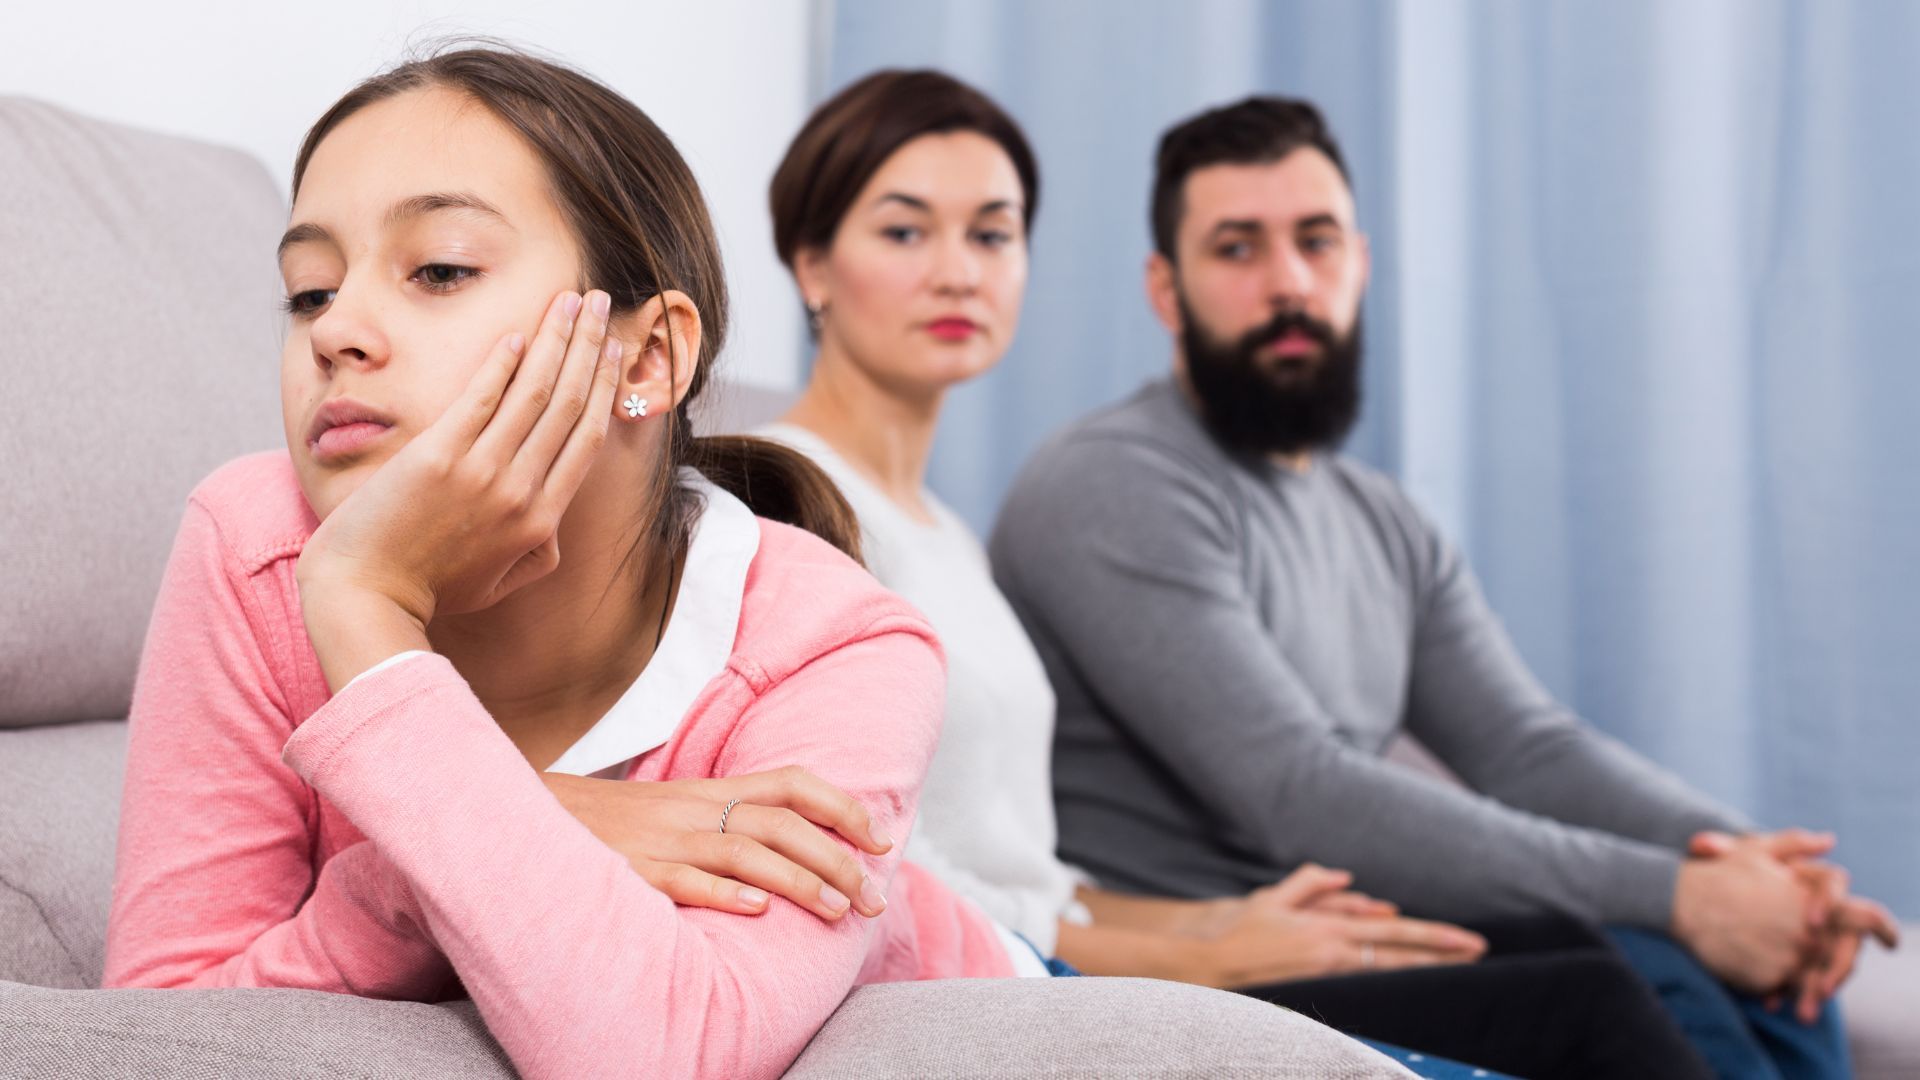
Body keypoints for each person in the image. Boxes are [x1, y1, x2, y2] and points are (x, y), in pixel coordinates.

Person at [755, 69, 1712, 1080]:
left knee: (1591, 962)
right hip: (979, 993)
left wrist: (1218, 925)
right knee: (1585, 1008)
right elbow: (880, 873)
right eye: (906, 233)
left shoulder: (947, 532)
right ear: (812, 264)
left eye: (992, 234)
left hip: (1055, 953)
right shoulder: (792, 502)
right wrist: (1194, 952)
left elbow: (1029, 870)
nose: (958, 273)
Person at [102, 47, 1034, 1080]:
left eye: (441, 269)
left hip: (1020, 1001)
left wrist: (367, 610)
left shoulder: (840, 646)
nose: (339, 332)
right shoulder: (258, 546)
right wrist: (434, 870)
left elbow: (667, 1055)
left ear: (646, 360)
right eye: (309, 291)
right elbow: (148, 1037)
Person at [987, 94, 1901, 1078]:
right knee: (1614, 975)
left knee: (1777, 985)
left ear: (1361, 264)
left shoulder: (1386, 521)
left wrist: (1756, 869)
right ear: (1166, 291)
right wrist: (1680, 895)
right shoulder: (1111, 482)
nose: (1289, 282)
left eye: (1317, 241)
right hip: (1223, 968)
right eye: (1237, 249)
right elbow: (1300, 793)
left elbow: (1527, 747)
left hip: (1364, 937)